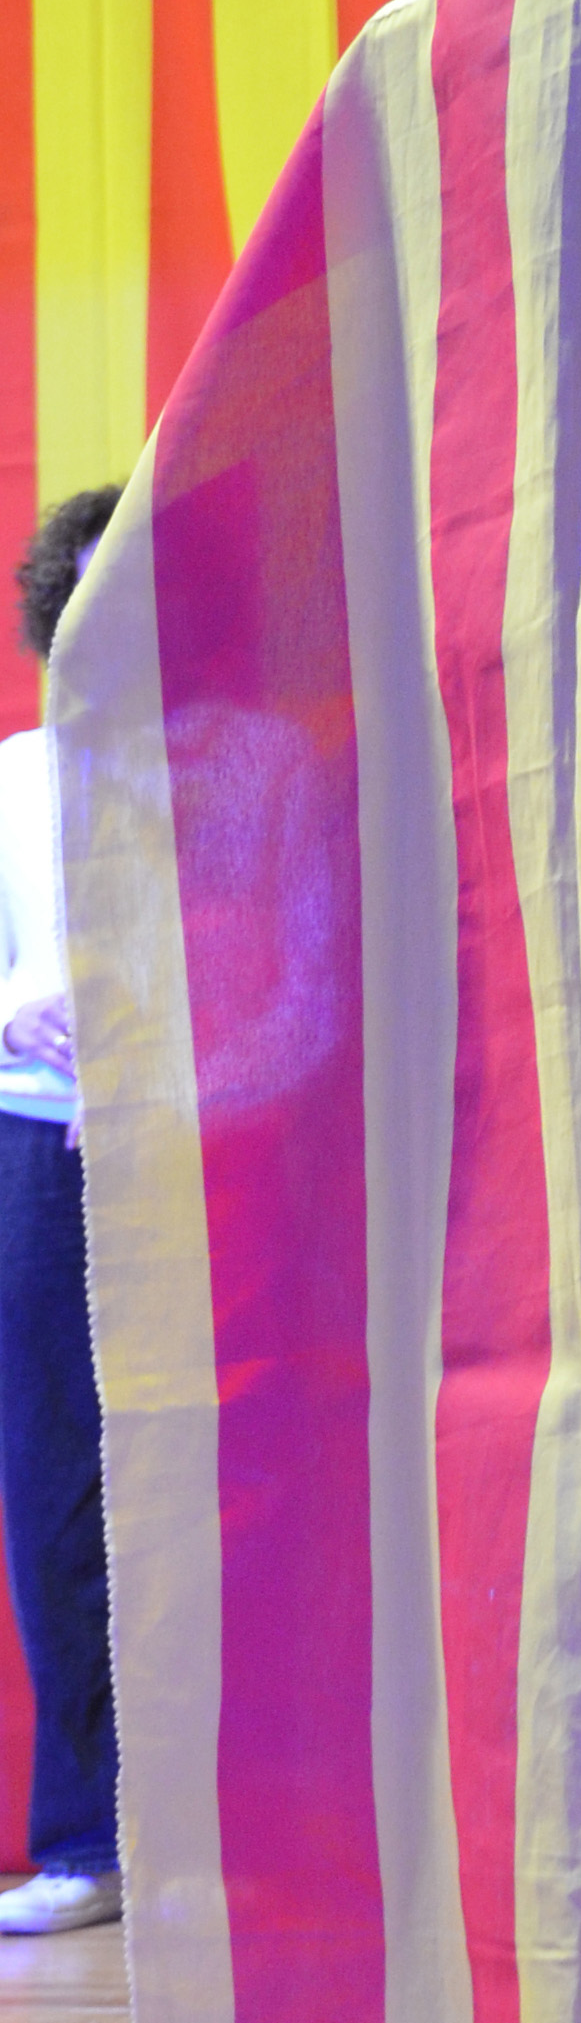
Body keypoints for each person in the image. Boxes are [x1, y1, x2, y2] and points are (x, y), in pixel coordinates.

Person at [0, 486, 122, 1940]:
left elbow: (305, 978)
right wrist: (15, 1016)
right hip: (35, 1151)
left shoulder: (245, 762)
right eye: (81, 592)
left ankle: (262, 1845)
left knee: (245, 1473)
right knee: (56, 1490)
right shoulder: (12, 782)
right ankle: (90, 1843)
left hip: (214, 1151)